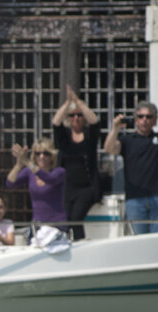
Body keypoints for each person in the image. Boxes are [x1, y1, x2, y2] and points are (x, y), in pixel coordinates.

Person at [104, 101, 158, 235]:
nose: (144, 120)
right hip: (134, 199)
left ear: (155, 120)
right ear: (136, 120)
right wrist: (115, 128)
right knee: (139, 241)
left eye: (149, 117)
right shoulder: (128, 140)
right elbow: (109, 148)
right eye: (141, 116)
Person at [52, 85, 101, 240]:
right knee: (65, 220)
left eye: (79, 115)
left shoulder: (89, 137)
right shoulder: (64, 137)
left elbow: (95, 122)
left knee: (75, 218)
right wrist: (67, 103)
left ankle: (80, 247)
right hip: (67, 188)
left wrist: (79, 103)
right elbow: (55, 122)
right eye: (72, 116)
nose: (76, 118)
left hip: (87, 188)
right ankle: (66, 247)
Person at [6, 137, 66, 229]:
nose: (42, 156)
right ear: (34, 155)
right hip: (37, 224)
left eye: (46, 153)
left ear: (52, 155)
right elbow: (10, 183)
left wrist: (26, 161)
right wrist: (19, 164)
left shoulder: (59, 171)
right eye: (38, 153)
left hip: (56, 225)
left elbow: (49, 179)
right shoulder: (29, 172)